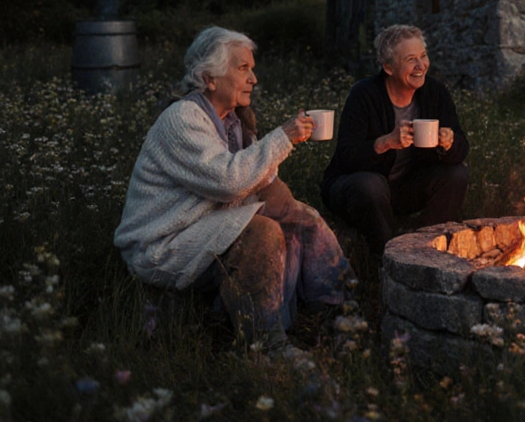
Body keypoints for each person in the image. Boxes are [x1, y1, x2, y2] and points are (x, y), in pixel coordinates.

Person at [114, 27, 349, 352]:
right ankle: (268, 348)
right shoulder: (182, 120)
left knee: (302, 219)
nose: (253, 78)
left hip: (204, 229)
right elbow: (229, 182)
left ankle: (342, 315)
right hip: (162, 244)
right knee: (262, 233)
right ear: (210, 78)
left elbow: (259, 182)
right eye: (243, 68)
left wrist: (298, 214)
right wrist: (283, 137)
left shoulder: (234, 122)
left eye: (252, 69)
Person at [322, 25, 470, 257]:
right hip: (359, 188)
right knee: (370, 185)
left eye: (423, 56)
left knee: (457, 175)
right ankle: (388, 258)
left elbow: (462, 148)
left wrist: (449, 143)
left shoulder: (435, 92)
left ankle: (426, 249)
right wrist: (385, 143)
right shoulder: (364, 94)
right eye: (411, 60)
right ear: (388, 67)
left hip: (406, 188)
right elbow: (346, 157)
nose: (421, 66)